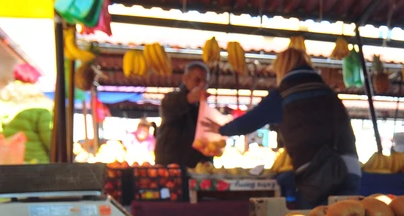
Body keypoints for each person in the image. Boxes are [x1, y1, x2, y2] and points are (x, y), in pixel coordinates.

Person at [202, 47, 361, 207]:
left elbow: (251, 121)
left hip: (318, 173)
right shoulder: (328, 92)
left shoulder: (285, 95)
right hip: (351, 168)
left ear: (281, 68)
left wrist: (222, 129)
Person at [154, 62, 213, 168]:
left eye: (206, 82)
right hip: (170, 167)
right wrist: (189, 98)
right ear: (186, 79)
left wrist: (207, 159)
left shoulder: (204, 108)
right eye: (197, 80)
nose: (202, 85)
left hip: (195, 169)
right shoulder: (171, 98)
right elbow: (172, 107)